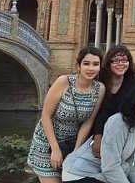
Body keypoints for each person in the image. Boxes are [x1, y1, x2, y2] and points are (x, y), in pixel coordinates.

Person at [27, 46, 106, 183]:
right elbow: (45, 116)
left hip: (71, 144)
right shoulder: (63, 82)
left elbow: (88, 122)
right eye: (86, 63)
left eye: (95, 64)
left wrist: (75, 152)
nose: (90, 68)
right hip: (47, 143)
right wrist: (55, 149)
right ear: (78, 66)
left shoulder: (99, 89)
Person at [61, 82, 135, 183]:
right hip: (80, 174)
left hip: (102, 175)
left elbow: (133, 163)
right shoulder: (118, 123)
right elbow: (110, 167)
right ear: (133, 102)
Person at [91, 44, 135, 158]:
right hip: (99, 131)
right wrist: (97, 135)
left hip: (122, 134)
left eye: (124, 60)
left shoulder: (134, 83)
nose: (120, 64)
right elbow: (98, 112)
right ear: (109, 63)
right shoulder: (100, 81)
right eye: (116, 61)